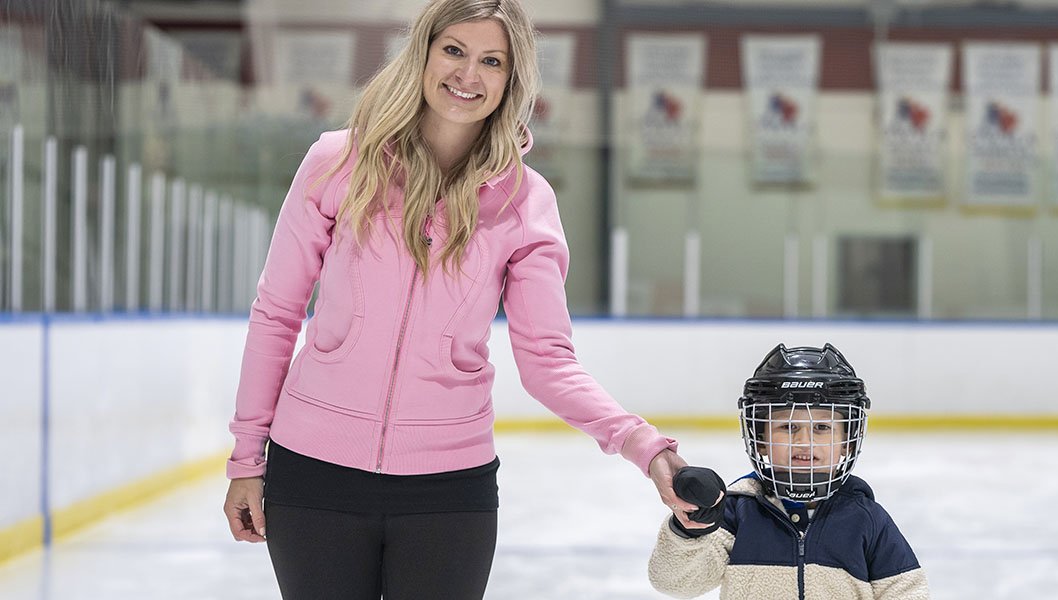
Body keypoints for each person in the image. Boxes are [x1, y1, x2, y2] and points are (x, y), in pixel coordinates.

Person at [220, 1, 703, 597]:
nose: (467, 75)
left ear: (511, 79)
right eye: (453, 50)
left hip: (448, 489)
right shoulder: (338, 162)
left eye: (491, 61)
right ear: (422, 53)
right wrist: (248, 457)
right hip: (314, 473)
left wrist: (646, 447)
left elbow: (548, 360)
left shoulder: (526, 204)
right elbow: (277, 312)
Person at [648, 343, 929, 599]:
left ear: (848, 440)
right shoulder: (738, 511)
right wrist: (691, 529)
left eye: (821, 427)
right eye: (788, 427)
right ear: (759, 438)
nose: (804, 441)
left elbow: (906, 592)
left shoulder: (865, 518)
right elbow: (675, 583)